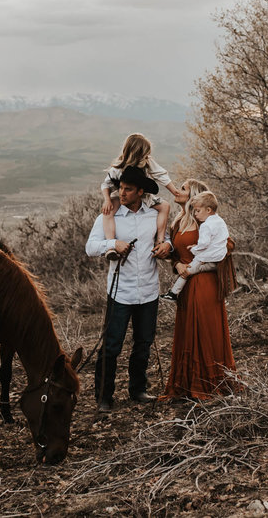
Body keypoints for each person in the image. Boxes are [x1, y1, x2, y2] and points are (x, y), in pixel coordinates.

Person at [85, 165, 172, 412]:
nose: (121, 193)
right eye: (120, 188)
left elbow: (166, 240)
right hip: (120, 292)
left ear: (140, 192)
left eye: (128, 189)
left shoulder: (153, 215)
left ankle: (138, 389)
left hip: (148, 290)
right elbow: (90, 247)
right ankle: (103, 397)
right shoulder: (108, 215)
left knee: (143, 342)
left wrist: (167, 247)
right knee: (111, 345)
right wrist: (113, 244)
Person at [159, 179, 240, 401]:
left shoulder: (206, 221)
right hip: (186, 281)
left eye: (183, 188)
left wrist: (204, 260)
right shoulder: (178, 221)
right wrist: (177, 265)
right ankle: (185, 385)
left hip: (204, 282)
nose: (178, 190)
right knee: (187, 330)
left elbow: (228, 244)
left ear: (193, 195)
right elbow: (175, 253)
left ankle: (210, 383)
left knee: (206, 330)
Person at [100, 133, 188, 256]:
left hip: (141, 194)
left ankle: (160, 240)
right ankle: (111, 245)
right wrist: (107, 200)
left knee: (165, 206)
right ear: (136, 152)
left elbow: (160, 174)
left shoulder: (147, 162)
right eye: (145, 153)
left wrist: (174, 191)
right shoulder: (118, 168)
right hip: (119, 194)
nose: (147, 156)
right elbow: (105, 185)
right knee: (108, 212)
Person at [160, 191, 227, 301]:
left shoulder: (205, 225)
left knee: (187, 271)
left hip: (207, 259)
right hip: (218, 260)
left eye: (198, 211)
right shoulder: (220, 221)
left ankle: (173, 293)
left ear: (208, 210)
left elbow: (204, 243)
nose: (195, 214)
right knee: (195, 269)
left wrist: (194, 248)